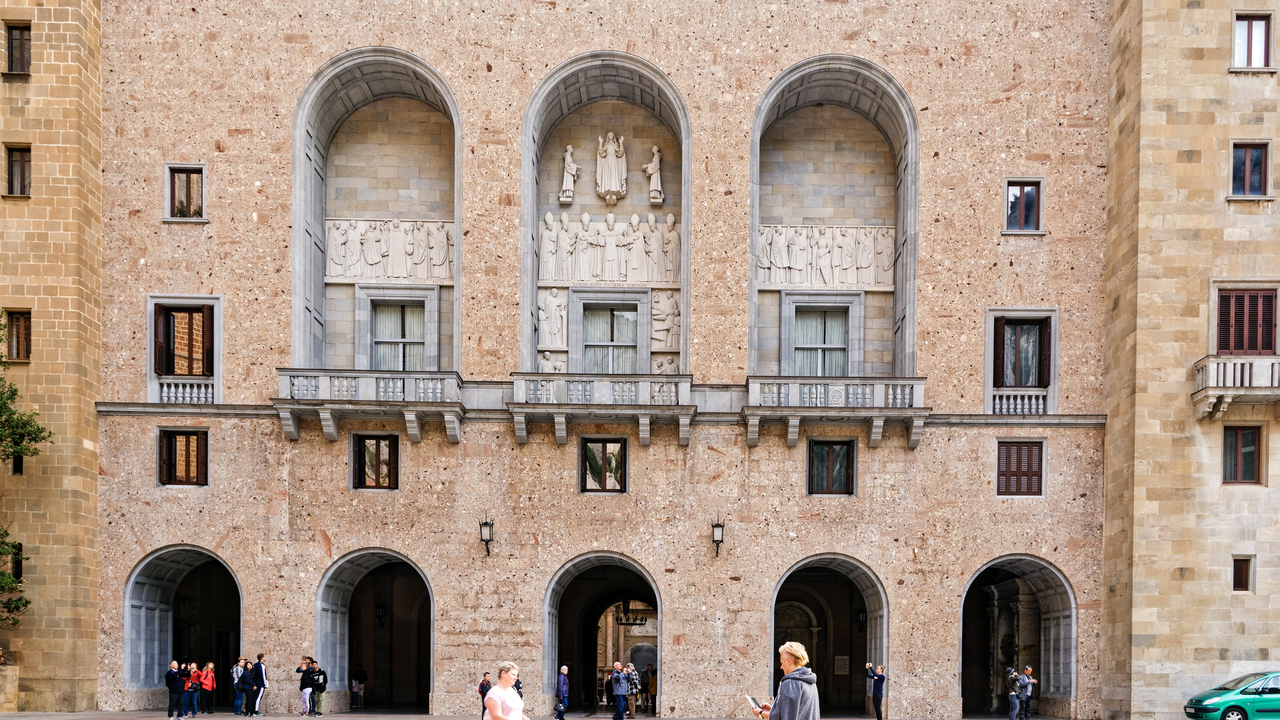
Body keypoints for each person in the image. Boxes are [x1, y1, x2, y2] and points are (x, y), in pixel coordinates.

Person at [754, 642, 818, 720]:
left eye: (782, 662)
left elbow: (786, 717)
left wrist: (760, 713)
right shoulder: (811, 682)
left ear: (789, 661)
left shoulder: (790, 683)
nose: (781, 667)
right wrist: (773, 710)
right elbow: (795, 713)